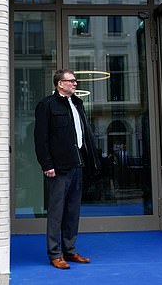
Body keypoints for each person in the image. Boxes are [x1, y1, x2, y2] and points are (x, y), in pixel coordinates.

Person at [34, 69, 101, 269]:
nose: (75, 84)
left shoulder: (78, 104)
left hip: (77, 164)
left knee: (73, 211)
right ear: (59, 83)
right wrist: (47, 165)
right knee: (56, 213)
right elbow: (40, 139)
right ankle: (55, 254)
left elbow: (83, 134)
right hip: (58, 168)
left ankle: (70, 251)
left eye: (75, 81)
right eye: (71, 81)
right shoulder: (47, 105)